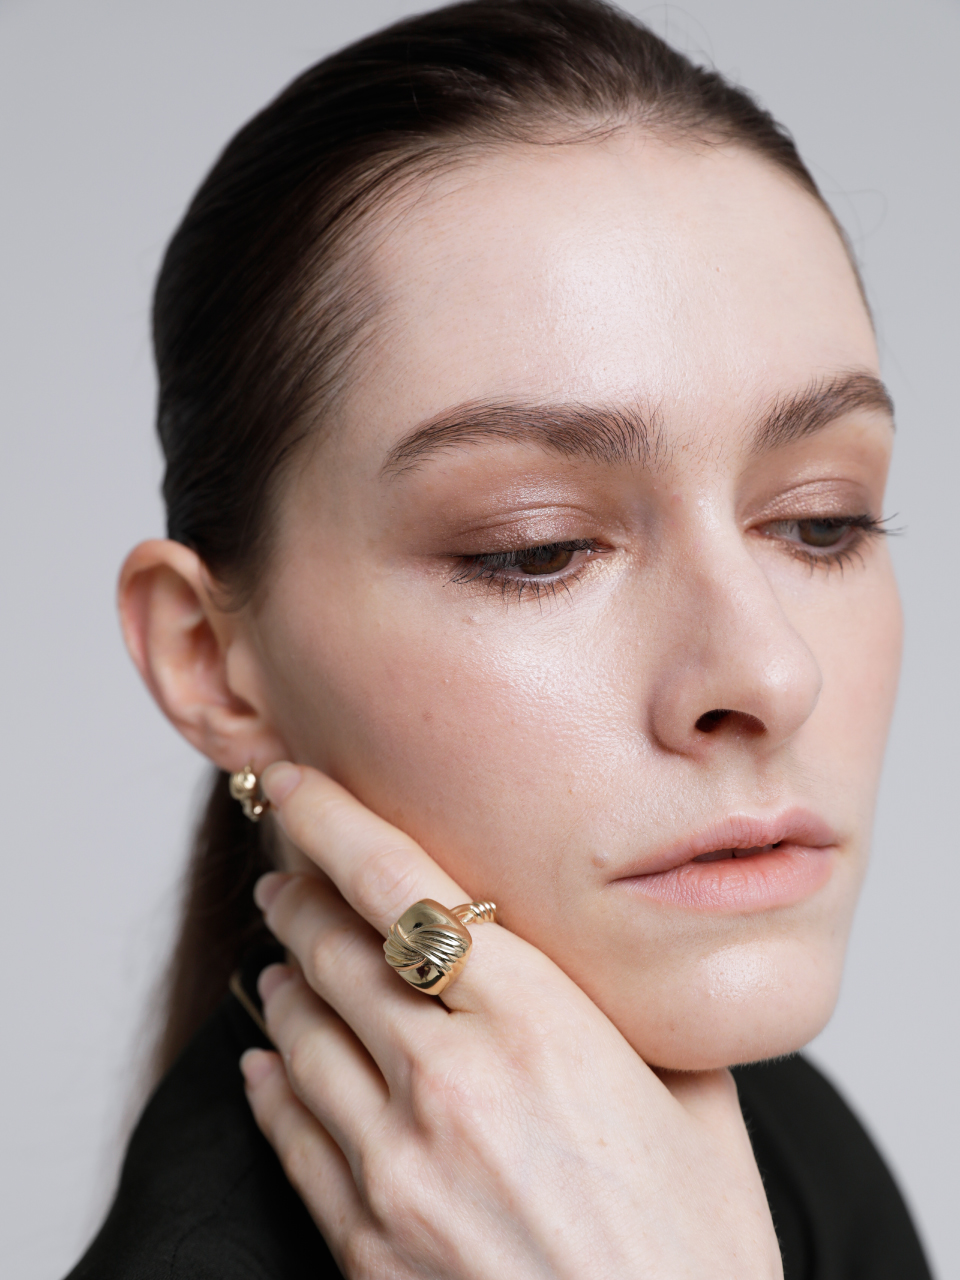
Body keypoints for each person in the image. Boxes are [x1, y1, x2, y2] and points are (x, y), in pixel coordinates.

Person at [66, 1, 933, 1276]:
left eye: (821, 521)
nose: (769, 671)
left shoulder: (781, 1146)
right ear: (208, 660)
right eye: (537, 546)